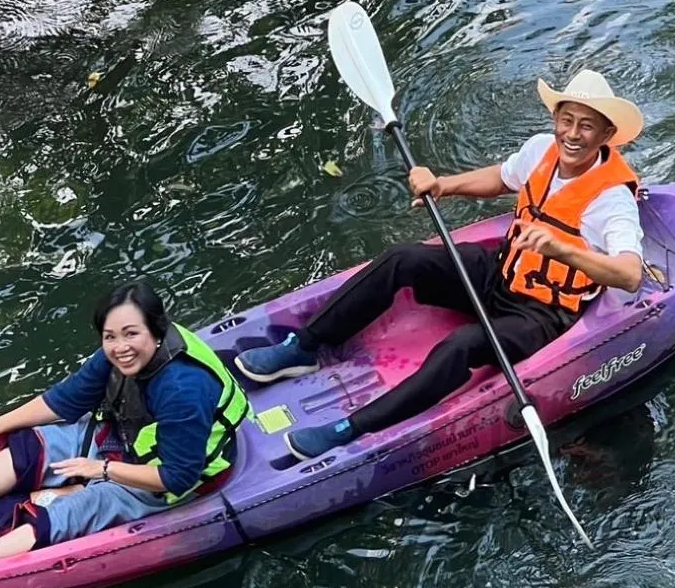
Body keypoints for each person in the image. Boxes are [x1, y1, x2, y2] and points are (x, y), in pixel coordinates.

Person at [236, 68, 644, 460]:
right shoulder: (541, 149)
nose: (572, 134)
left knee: (461, 344)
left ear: (607, 134)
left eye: (586, 126)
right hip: (499, 275)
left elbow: (629, 275)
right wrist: (443, 185)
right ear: (555, 118)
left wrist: (564, 251)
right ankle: (304, 347)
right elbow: (503, 178)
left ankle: (353, 427)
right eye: (566, 120)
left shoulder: (612, 200)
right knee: (404, 258)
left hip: (542, 315)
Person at [0, 280, 250, 575]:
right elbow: (67, 400)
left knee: (81, 507)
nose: (120, 346)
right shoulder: (118, 355)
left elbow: (178, 477)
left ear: (156, 331)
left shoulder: (182, 389)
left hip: (164, 480)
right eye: (110, 336)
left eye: (131, 334)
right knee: (43, 444)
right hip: (123, 440)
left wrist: (102, 471)